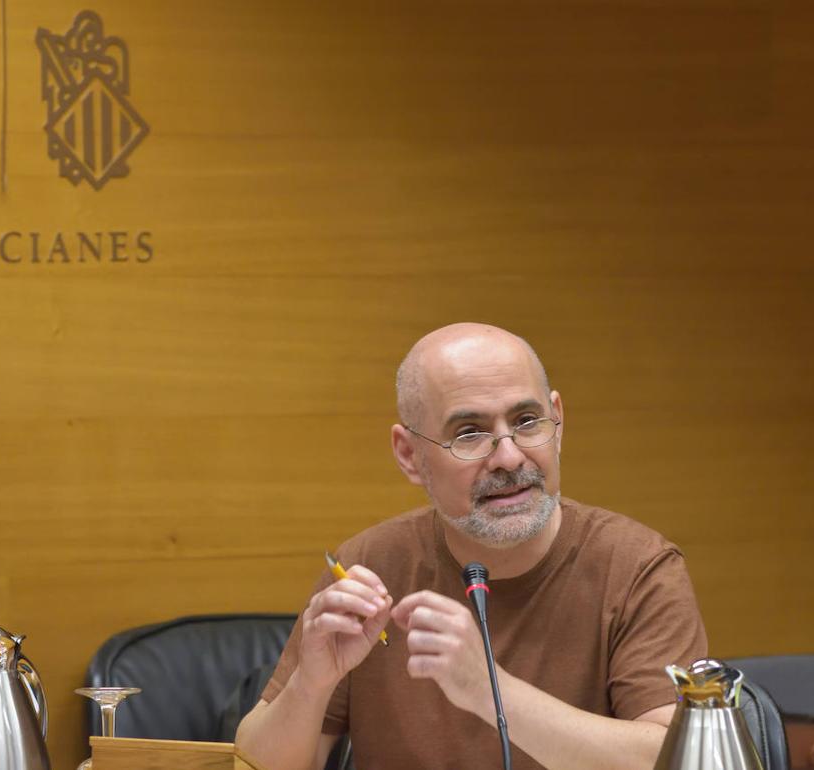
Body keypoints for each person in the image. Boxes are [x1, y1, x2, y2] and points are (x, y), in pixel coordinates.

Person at [235, 323, 707, 770]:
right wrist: (310, 685)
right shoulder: (371, 563)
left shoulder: (639, 568)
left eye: (527, 421)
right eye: (469, 433)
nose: (508, 456)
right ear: (409, 455)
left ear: (558, 422)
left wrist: (488, 690)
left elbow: (678, 759)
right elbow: (255, 762)